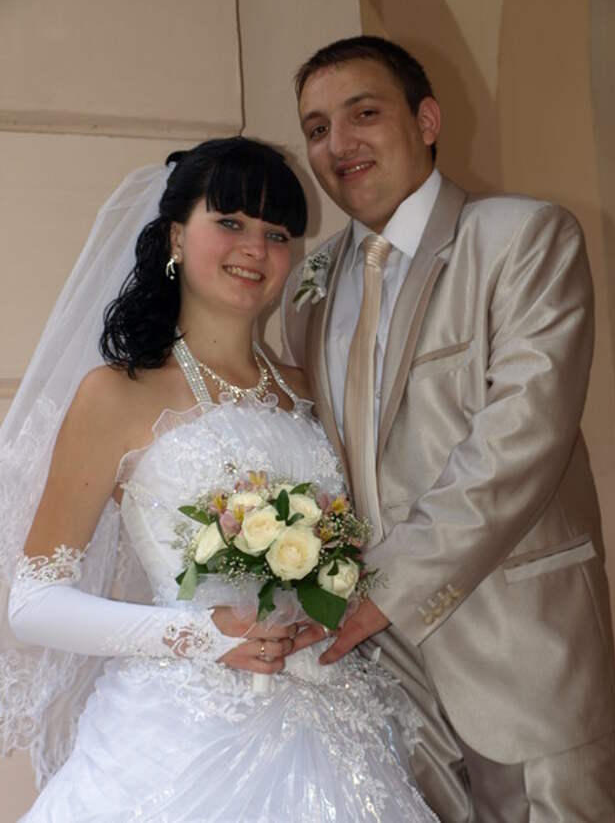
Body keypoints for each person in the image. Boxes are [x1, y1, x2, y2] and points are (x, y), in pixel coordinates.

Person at [0, 137, 440, 821]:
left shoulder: (310, 391)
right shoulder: (116, 395)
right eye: (230, 222)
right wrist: (203, 636)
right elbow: (33, 601)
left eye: (276, 233)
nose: (255, 249)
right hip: (177, 741)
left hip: (333, 720)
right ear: (177, 235)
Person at [281, 35, 615, 822]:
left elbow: (520, 440)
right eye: (318, 128)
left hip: (519, 649)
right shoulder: (306, 288)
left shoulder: (523, 237)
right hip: (376, 675)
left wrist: (385, 591)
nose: (339, 143)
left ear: (427, 120)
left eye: (364, 114)